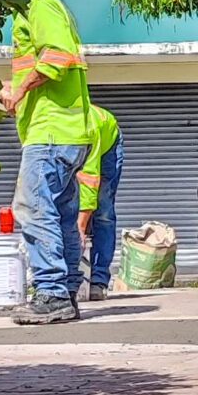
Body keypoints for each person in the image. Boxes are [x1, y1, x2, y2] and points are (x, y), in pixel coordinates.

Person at [0, 0, 95, 325]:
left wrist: (20, 88)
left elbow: (57, 56)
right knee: (61, 216)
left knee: (34, 210)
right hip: (64, 131)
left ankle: (52, 293)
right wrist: (17, 88)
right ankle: (64, 292)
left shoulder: (36, 3)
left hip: (51, 131)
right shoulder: (49, 4)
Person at [77, 102, 121, 299]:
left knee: (102, 212)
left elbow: (90, 180)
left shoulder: (87, 128)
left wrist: (80, 225)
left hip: (107, 145)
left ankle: (98, 280)